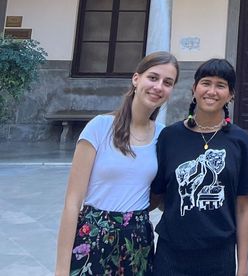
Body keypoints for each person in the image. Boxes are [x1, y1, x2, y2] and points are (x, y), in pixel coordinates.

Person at [55, 51, 179, 276]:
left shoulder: (164, 136)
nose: (159, 86)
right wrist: (62, 269)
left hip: (137, 240)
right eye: (153, 77)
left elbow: (158, 195)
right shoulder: (100, 127)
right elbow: (72, 203)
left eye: (167, 82)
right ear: (136, 79)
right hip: (93, 234)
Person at [151, 58, 248, 276]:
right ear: (194, 88)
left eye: (221, 85)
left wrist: (243, 266)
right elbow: (156, 195)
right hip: (171, 254)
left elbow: (243, 207)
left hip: (219, 256)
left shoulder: (240, 140)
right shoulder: (169, 137)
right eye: (206, 83)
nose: (212, 91)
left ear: (230, 94)